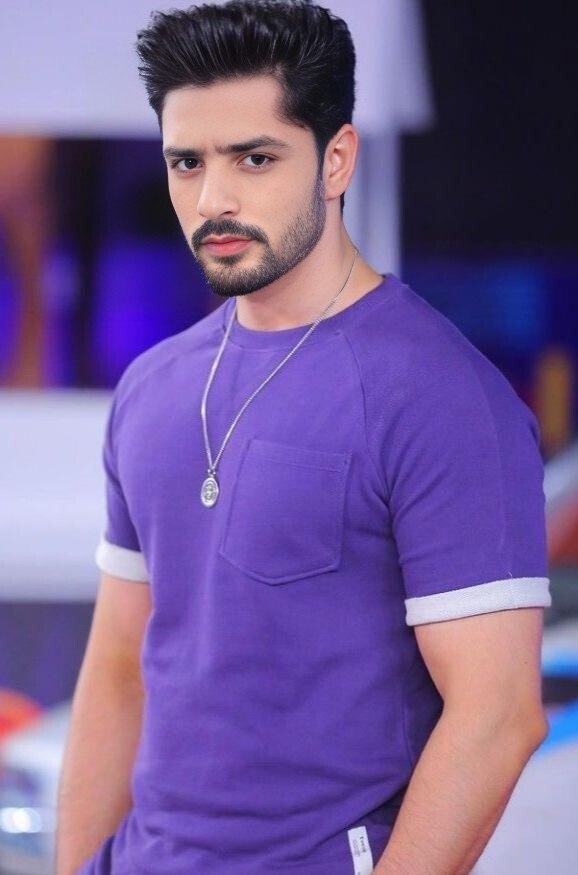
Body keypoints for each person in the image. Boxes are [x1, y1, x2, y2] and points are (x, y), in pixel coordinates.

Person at [56, 3, 551, 873]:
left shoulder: (442, 395)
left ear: (336, 159)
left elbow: (498, 714)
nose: (213, 198)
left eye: (255, 158)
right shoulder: (152, 388)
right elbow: (118, 673)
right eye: (187, 161)